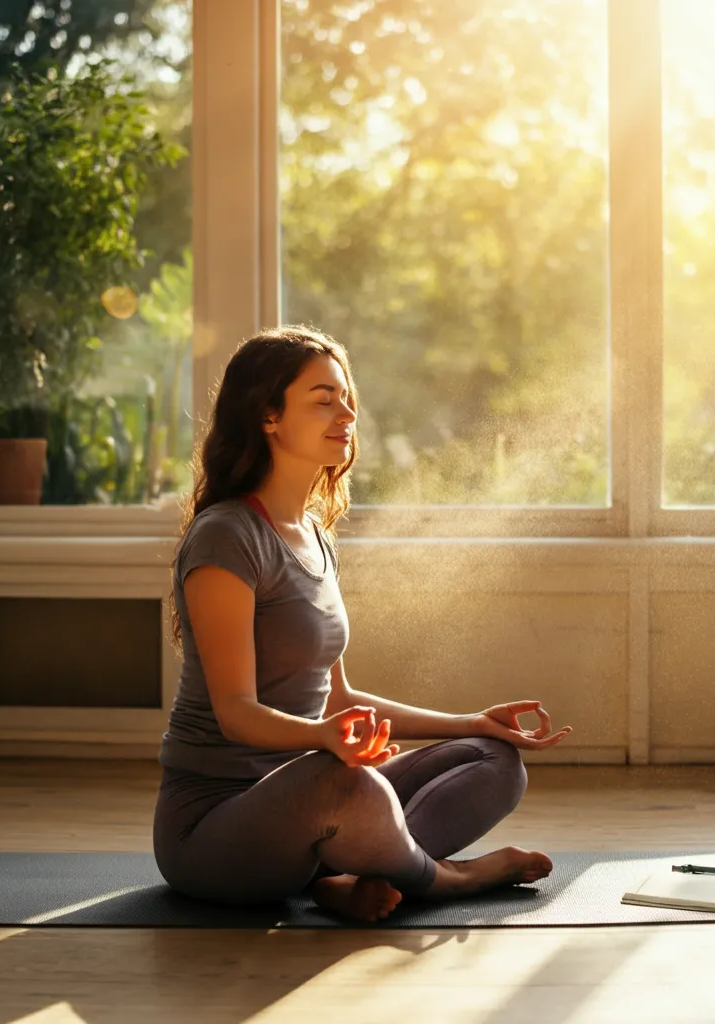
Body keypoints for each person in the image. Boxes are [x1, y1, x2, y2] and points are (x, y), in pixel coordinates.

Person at [153, 325, 573, 922]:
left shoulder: (316, 538)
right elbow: (236, 712)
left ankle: (342, 877)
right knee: (352, 784)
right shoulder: (227, 535)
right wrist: (327, 742)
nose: (346, 412)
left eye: (346, 397)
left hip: (316, 796)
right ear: (268, 416)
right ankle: (446, 879)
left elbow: (338, 696)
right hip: (215, 829)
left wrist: (474, 720)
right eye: (323, 399)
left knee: (493, 760)